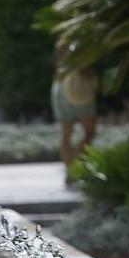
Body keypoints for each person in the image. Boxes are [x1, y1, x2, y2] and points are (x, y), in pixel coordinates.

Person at [51, 41, 99, 178]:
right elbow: (84, 67)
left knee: (66, 135)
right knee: (89, 132)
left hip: (60, 86)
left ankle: (70, 170)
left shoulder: (64, 38)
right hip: (78, 86)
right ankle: (78, 167)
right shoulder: (81, 37)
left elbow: (59, 57)